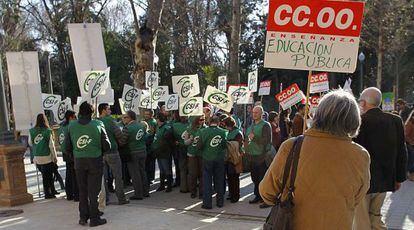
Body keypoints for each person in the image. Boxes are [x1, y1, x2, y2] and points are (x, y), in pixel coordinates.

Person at [262, 90, 370, 229]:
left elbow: (266, 191)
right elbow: (357, 197)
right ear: (354, 120)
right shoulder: (361, 155)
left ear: (319, 115)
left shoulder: (292, 146)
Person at [354, 87, 407, 230]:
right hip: (384, 179)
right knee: (375, 217)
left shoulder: (359, 122)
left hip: (362, 181)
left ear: (363, 103)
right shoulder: (395, 120)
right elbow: (402, 151)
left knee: (361, 221)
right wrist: (399, 178)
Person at [65, 102, 110, 227]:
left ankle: (83, 217)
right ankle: (94, 218)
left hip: (79, 161)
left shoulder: (71, 126)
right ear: (92, 112)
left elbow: (66, 147)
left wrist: (75, 154)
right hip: (95, 160)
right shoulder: (98, 124)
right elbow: (107, 145)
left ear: (80, 112)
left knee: (83, 191)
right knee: (93, 192)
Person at [98, 103, 129, 205]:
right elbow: (119, 135)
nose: (110, 111)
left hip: (101, 154)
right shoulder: (110, 120)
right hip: (113, 152)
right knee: (118, 176)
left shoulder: (96, 122)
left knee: (103, 178)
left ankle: (105, 199)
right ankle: (121, 198)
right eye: (108, 109)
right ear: (103, 110)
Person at [198, 116, 227, 209]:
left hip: (207, 158)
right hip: (219, 159)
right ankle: (220, 202)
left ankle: (207, 204)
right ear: (218, 122)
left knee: (207, 181)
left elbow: (199, 146)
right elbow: (224, 145)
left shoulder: (203, 131)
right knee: (219, 180)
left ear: (209, 122)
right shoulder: (224, 132)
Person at [119, 111, 150, 200]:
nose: (123, 119)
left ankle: (138, 194)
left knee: (135, 174)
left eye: (125, 117)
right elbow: (145, 137)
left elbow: (122, 142)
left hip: (133, 152)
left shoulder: (127, 128)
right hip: (143, 151)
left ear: (130, 118)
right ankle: (146, 191)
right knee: (142, 172)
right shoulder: (141, 125)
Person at [246, 105, 272, 207]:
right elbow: (248, 139)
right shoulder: (251, 125)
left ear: (262, 114)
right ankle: (257, 196)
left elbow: (266, 141)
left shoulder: (265, 125)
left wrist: (255, 138)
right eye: (253, 112)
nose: (254, 114)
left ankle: (265, 198)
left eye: (256, 112)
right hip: (252, 156)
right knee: (255, 178)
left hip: (261, 156)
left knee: (262, 179)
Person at [29, 113, 58, 199]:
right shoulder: (48, 131)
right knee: (48, 176)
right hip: (47, 156)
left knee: (44, 176)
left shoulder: (32, 131)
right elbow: (51, 146)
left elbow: (30, 143)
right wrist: (55, 157)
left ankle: (50, 191)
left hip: (37, 156)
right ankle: (49, 193)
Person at [184, 115, 206, 198]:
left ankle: (202, 193)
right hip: (192, 154)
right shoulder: (189, 129)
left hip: (202, 154)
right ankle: (193, 192)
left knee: (202, 174)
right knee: (193, 174)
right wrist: (190, 139)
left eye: (204, 119)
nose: (203, 121)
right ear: (196, 120)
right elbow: (185, 142)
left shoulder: (206, 128)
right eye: (201, 119)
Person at [59, 110, 79, 201]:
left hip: (65, 152)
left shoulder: (61, 126)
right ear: (70, 117)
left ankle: (69, 194)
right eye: (75, 117)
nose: (76, 118)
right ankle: (76, 195)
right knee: (75, 175)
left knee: (68, 174)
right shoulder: (71, 126)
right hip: (71, 152)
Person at [223, 116, 244, 203]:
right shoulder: (231, 131)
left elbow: (237, 146)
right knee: (230, 177)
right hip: (229, 158)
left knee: (234, 178)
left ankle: (236, 195)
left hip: (235, 158)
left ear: (228, 125)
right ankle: (231, 194)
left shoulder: (237, 133)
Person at [152, 113, 174, 192]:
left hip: (164, 152)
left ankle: (169, 186)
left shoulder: (166, 128)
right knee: (161, 169)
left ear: (159, 119)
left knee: (166, 168)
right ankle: (162, 185)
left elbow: (166, 141)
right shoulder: (158, 127)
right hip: (158, 151)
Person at [172, 114, 189, 193]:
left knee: (182, 169)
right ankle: (189, 186)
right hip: (188, 148)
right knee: (189, 169)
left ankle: (183, 187)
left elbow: (171, 136)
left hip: (181, 148)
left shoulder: (175, 125)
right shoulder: (191, 125)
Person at [144, 109, 157, 185]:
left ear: (151, 115)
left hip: (151, 145)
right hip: (145, 145)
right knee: (146, 163)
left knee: (151, 163)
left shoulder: (153, 122)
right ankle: (147, 177)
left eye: (147, 114)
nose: (146, 115)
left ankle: (151, 178)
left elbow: (151, 134)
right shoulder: (144, 121)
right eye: (145, 114)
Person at [405, 111, 414, 180]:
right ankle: (410, 174)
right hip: (409, 144)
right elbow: (405, 135)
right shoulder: (409, 123)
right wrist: (411, 142)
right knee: (412, 159)